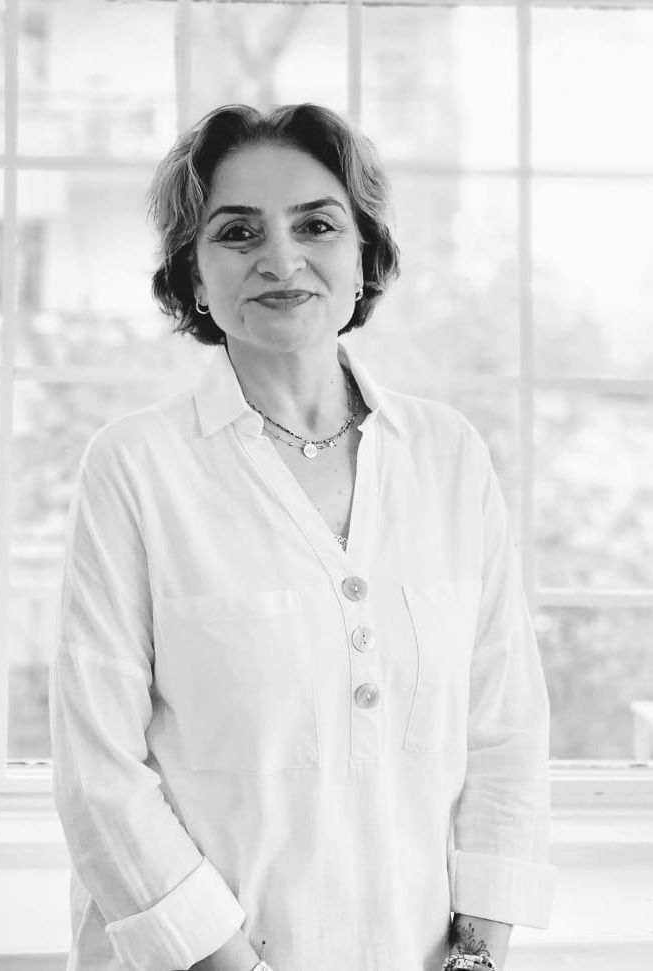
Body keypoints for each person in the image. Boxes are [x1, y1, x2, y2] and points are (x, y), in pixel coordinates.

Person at [49, 102, 558, 971]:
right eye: (237, 232)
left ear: (364, 258)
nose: (281, 259)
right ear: (194, 277)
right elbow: (100, 777)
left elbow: (505, 734)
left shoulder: (448, 456)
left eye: (316, 225)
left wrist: (475, 959)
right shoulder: (135, 467)